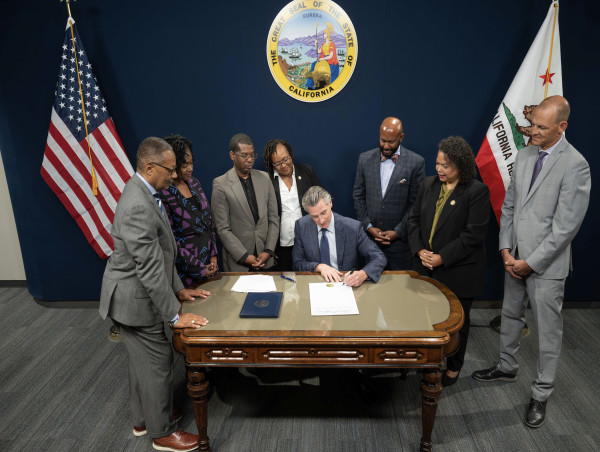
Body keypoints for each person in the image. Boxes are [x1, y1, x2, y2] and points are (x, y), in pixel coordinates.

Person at [472, 96, 591, 428]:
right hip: (514, 258)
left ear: (561, 127)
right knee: (510, 314)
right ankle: (506, 366)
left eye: (541, 127)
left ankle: (541, 392)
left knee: (547, 331)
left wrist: (531, 262)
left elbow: (565, 228)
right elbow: (509, 207)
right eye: (533, 123)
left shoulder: (576, 165)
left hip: (546, 266)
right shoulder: (525, 155)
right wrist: (506, 249)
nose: (532, 131)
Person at [99, 137, 212, 452]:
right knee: (159, 361)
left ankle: (143, 419)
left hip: (132, 294)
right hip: (134, 299)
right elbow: (149, 270)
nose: (174, 176)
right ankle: (162, 432)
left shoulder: (146, 192)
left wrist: (180, 289)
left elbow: (163, 254)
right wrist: (175, 316)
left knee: (141, 363)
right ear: (149, 167)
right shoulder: (138, 204)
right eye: (170, 170)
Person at [408, 136, 490, 387]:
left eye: (446, 165)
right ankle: (426, 361)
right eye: (438, 163)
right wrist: (419, 250)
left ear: (461, 166)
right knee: (424, 319)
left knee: (457, 325)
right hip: (425, 267)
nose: (439, 169)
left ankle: (453, 368)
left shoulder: (476, 191)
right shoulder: (428, 185)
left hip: (458, 271)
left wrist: (443, 257)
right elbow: (413, 220)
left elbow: (473, 235)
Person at [353, 117, 425, 270]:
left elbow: (415, 204)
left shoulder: (416, 163)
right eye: (382, 140)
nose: (385, 146)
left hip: (399, 246)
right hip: (369, 242)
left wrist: (397, 232)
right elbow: (358, 196)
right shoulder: (364, 159)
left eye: (391, 142)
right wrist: (369, 226)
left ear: (401, 137)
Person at [293, 186, 387, 287]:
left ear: (330, 203)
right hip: (315, 284)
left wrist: (363, 274)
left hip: (345, 284)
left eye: (323, 213)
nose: (321, 220)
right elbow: (297, 263)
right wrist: (318, 267)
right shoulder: (301, 226)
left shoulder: (353, 228)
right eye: (315, 216)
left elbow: (379, 257)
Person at [211, 133, 279, 271]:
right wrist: (244, 256)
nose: (250, 160)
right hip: (239, 263)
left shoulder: (265, 178)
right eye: (244, 155)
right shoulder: (220, 184)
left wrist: (269, 250)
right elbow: (223, 229)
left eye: (252, 155)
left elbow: (274, 218)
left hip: (266, 259)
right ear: (232, 155)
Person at [159, 134, 218, 287]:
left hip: (210, 267)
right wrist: (199, 269)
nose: (190, 168)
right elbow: (170, 241)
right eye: (184, 165)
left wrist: (213, 255)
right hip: (185, 274)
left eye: (191, 163)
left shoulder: (195, 183)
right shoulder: (164, 193)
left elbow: (208, 223)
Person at [263, 139, 322, 271]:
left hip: (308, 242)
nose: (283, 165)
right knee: (285, 285)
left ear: (291, 155)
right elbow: (264, 216)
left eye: (286, 159)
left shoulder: (306, 171)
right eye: (277, 163)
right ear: (271, 164)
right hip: (281, 246)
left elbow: (321, 202)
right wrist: (270, 247)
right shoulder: (267, 180)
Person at [305, 22, 340, 89]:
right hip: (323, 58)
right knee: (313, 64)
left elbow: (331, 56)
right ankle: (311, 84)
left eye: (324, 34)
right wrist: (316, 44)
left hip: (330, 60)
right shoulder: (324, 44)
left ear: (327, 34)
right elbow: (319, 51)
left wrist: (322, 59)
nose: (323, 35)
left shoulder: (331, 44)